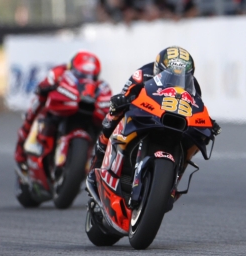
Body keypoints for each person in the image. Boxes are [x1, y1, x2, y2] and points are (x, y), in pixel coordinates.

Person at [87, 46, 221, 186]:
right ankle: (95, 169)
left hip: (172, 120)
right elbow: (125, 95)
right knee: (113, 117)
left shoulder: (194, 85)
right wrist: (121, 101)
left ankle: (175, 177)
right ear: (159, 69)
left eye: (182, 77)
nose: (176, 80)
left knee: (198, 137)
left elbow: (196, 107)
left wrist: (208, 123)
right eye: (170, 75)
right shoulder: (142, 74)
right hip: (145, 113)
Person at [14, 51, 106, 175]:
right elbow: (42, 86)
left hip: (85, 116)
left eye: (91, 76)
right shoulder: (60, 72)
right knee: (34, 109)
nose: (86, 79)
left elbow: (108, 105)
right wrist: (46, 88)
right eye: (81, 74)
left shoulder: (101, 87)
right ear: (72, 68)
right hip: (59, 110)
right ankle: (21, 152)